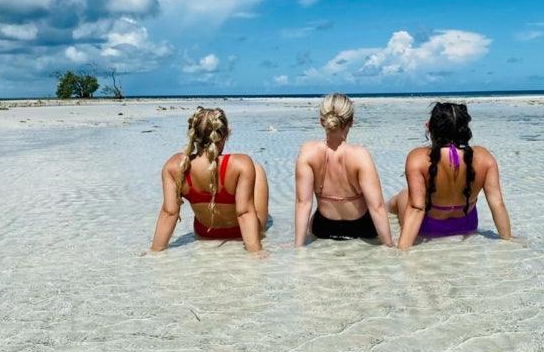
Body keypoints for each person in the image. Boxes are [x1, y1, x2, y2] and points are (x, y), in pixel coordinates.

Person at [388, 102, 511, 250]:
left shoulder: (417, 157)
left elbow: (417, 208)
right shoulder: (484, 157)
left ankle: (384, 210)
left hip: (428, 228)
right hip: (467, 225)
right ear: (464, 129)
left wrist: (402, 250)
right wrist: (508, 240)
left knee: (402, 196)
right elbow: (498, 204)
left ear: (429, 127)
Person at [151, 106, 269, 252]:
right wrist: (256, 252)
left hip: (205, 233)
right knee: (256, 169)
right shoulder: (240, 164)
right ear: (225, 135)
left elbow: (169, 213)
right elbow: (244, 213)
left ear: (193, 135)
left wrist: (155, 251)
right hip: (240, 233)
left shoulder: (174, 166)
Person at [294, 93, 393, 246]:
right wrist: (390, 246)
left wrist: (297, 248)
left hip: (323, 228)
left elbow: (303, 203)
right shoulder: (360, 155)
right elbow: (377, 207)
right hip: (362, 228)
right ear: (351, 122)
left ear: (322, 121)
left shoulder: (308, 152)